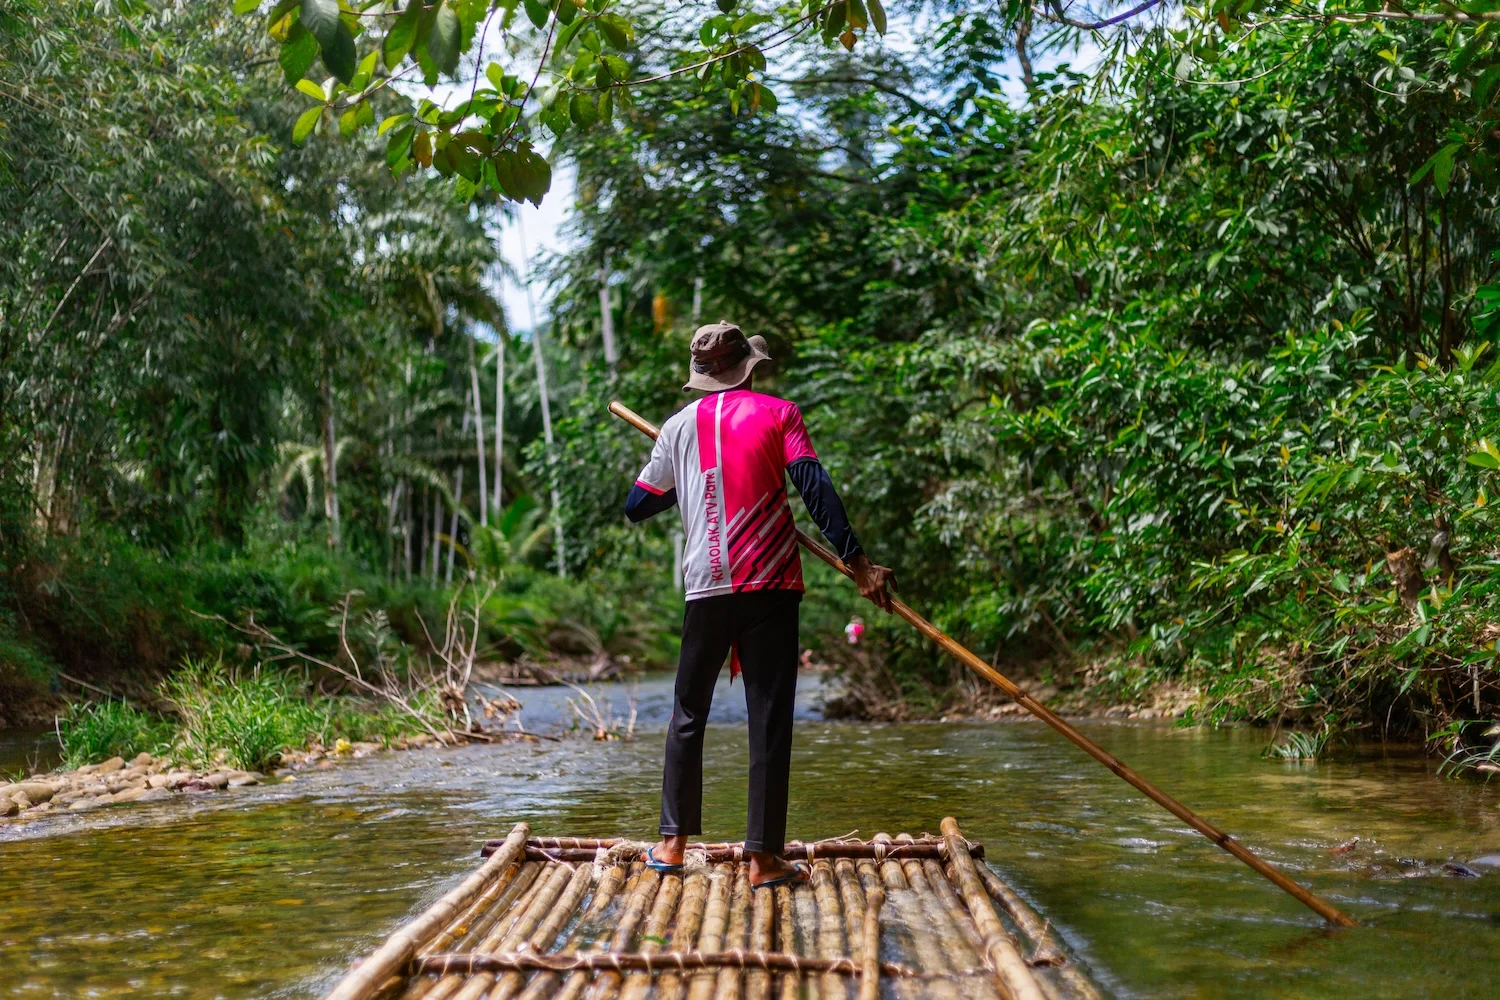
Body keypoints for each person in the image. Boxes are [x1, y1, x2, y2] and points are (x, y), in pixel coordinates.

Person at [624, 320, 897, 889]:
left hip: (706, 585)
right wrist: (858, 564)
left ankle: (671, 845)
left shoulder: (676, 428)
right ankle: (763, 858)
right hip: (770, 582)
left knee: (687, 713)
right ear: (748, 367)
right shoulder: (780, 414)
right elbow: (814, 488)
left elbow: (637, 505)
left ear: (703, 375)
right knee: (768, 717)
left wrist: (688, 476)